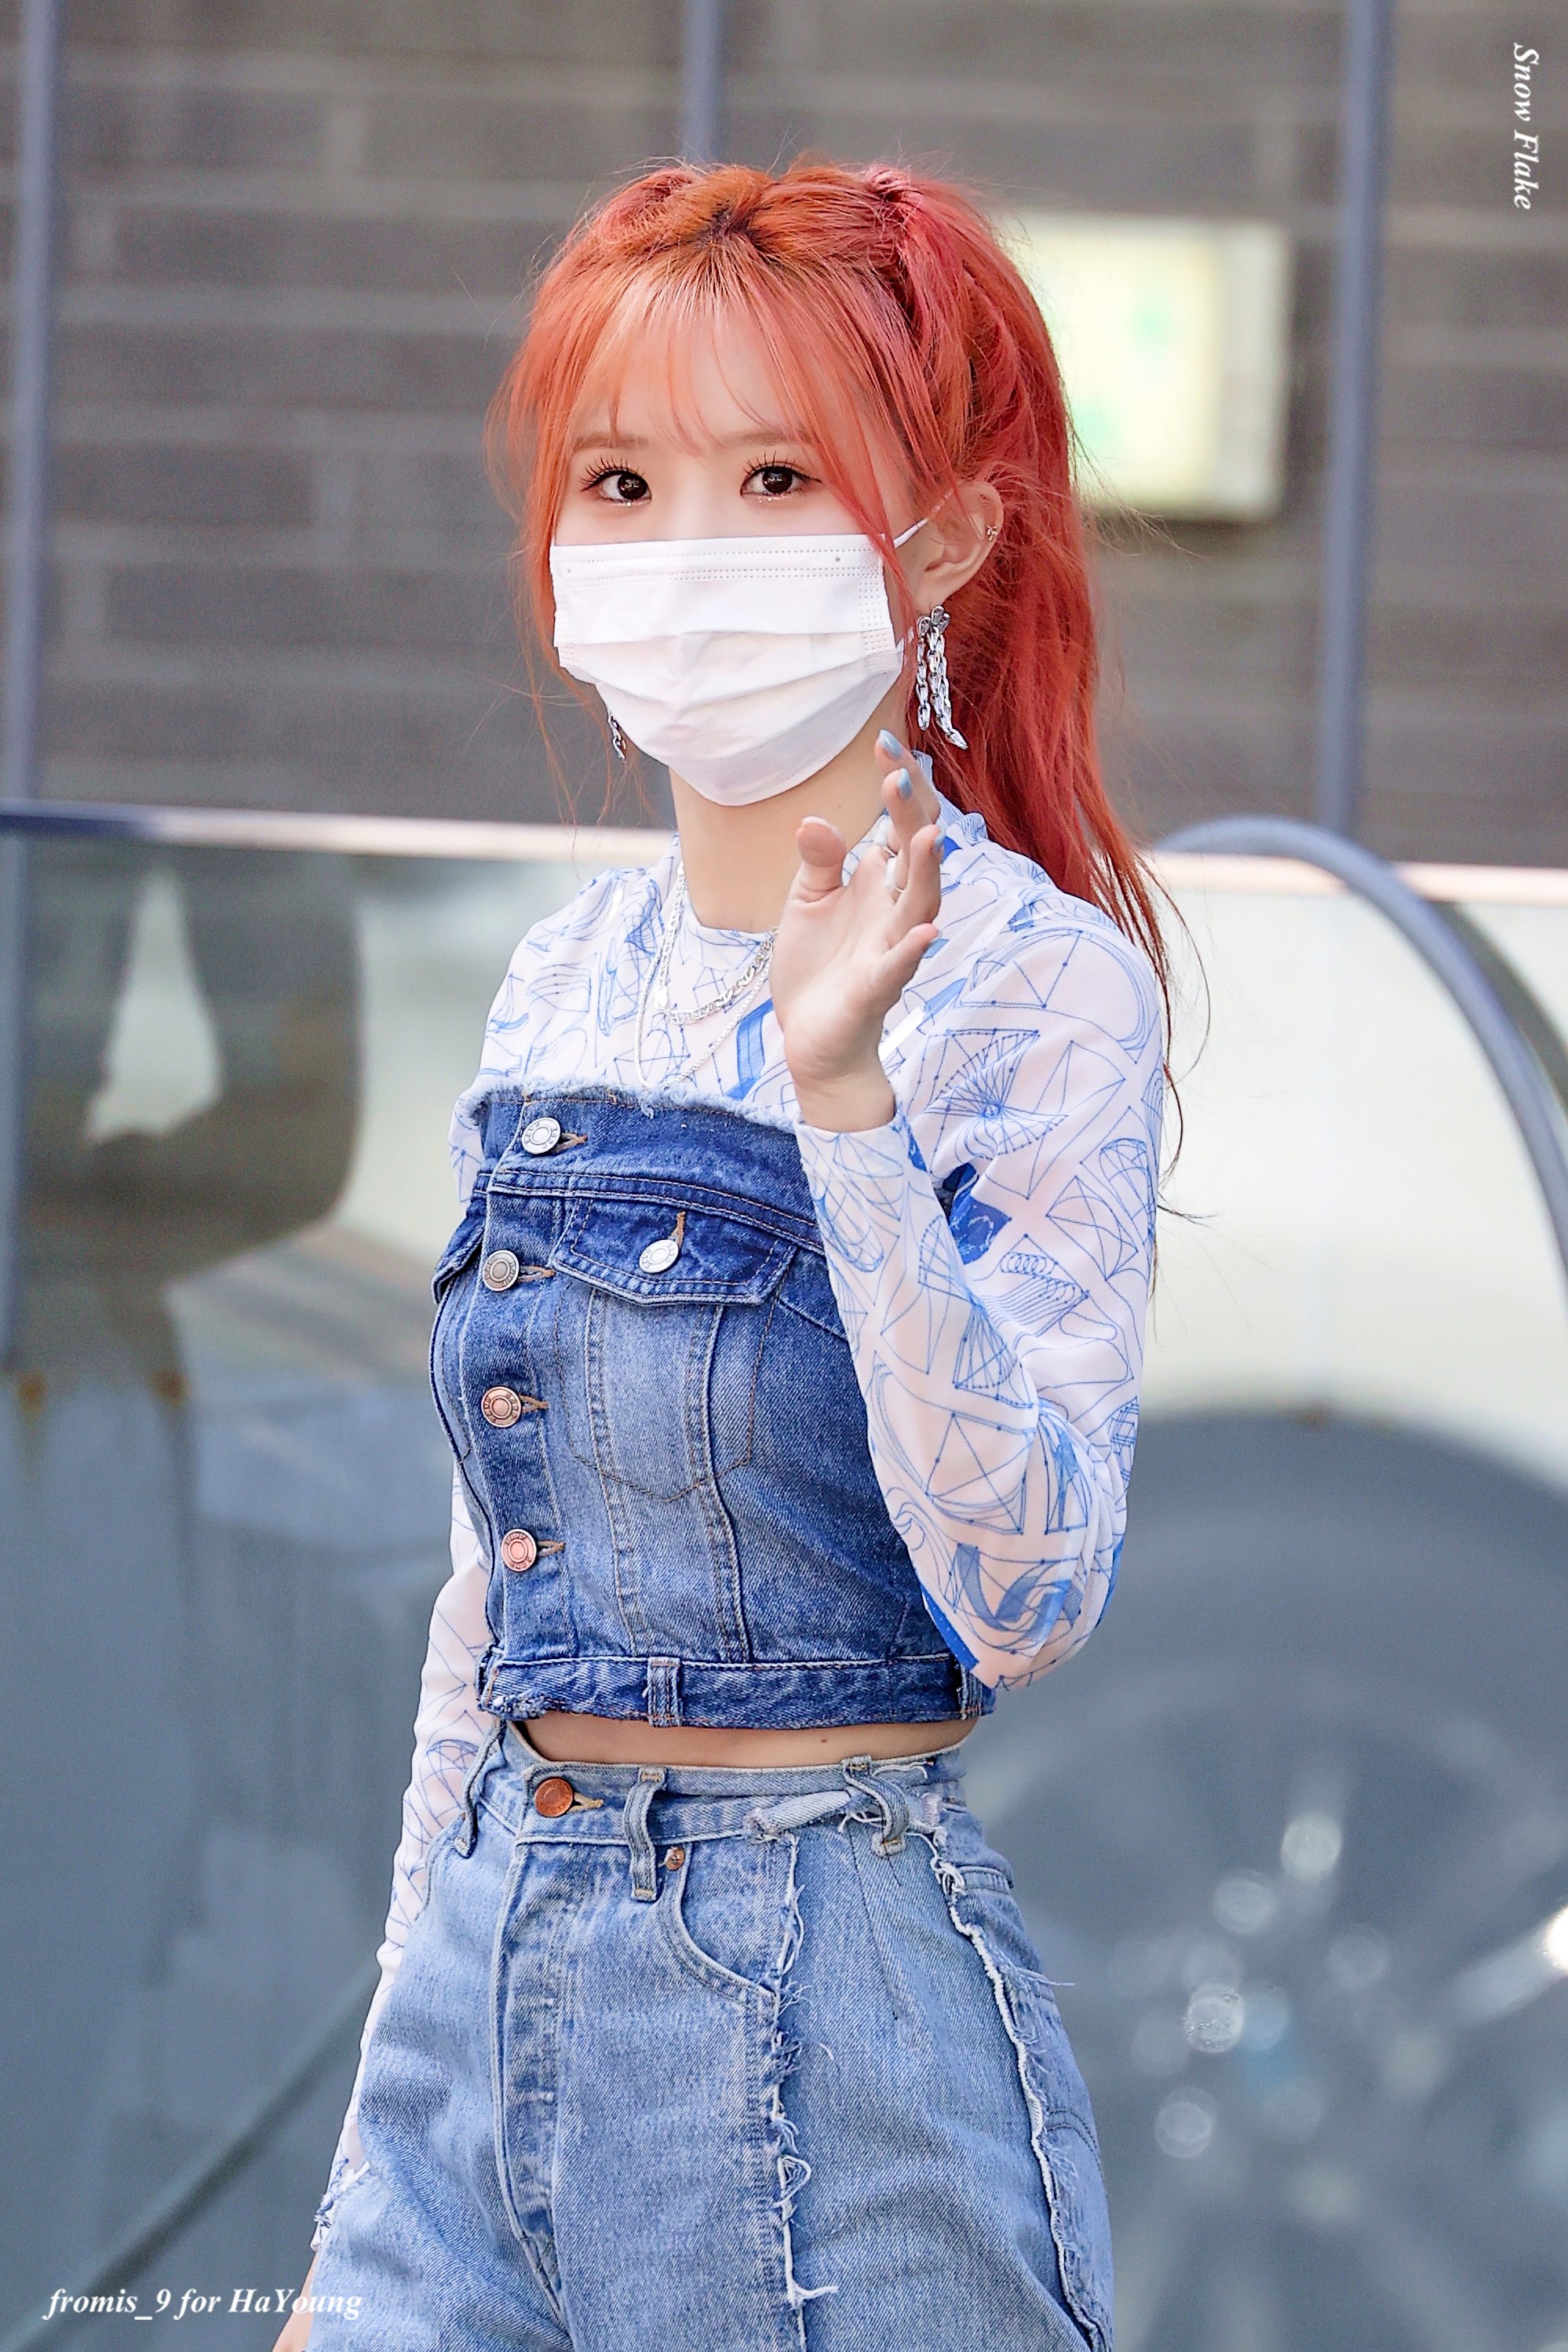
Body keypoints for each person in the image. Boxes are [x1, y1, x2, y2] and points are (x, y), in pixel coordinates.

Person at [281, 157, 1169, 2351]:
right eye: (622, 481)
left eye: (776, 478)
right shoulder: (563, 979)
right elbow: (489, 1608)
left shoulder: (1035, 990)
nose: (684, 550)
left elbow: (1028, 1591)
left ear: (941, 539)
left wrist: (843, 1106)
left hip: (819, 2017)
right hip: (494, 1966)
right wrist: (374, 2148)